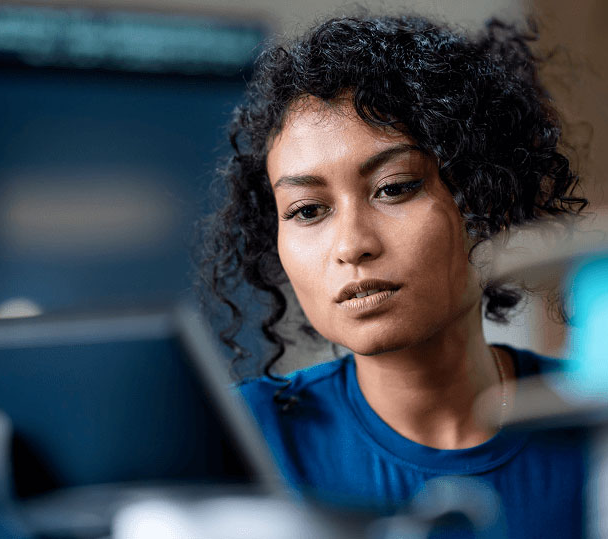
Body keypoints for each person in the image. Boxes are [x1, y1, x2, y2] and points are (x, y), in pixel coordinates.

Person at [199, 14, 588, 539]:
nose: (353, 245)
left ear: (482, 196)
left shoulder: (604, 424)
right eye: (308, 210)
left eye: (394, 187)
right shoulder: (237, 440)